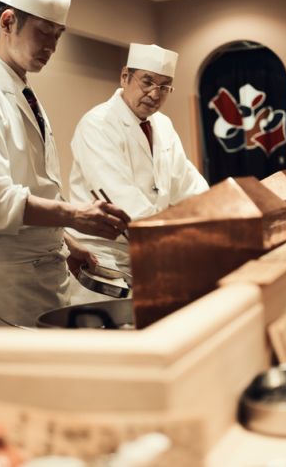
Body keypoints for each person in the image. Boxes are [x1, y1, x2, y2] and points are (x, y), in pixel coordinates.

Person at [0, 0, 130, 326]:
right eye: (44, 31)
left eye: (58, 35)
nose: (52, 46)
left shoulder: (24, 93)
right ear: (8, 22)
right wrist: (73, 215)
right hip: (8, 281)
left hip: (48, 271)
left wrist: (66, 242)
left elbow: (33, 187)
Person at [68, 44, 208, 297]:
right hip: (103, 258)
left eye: (164, 87)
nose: (155, 94)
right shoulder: (97, 124)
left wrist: (217, 214)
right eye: (147, 82)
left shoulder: (162, 124)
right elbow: (121, 200)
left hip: (149, 251)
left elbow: (187, 184)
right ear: (125, 76)